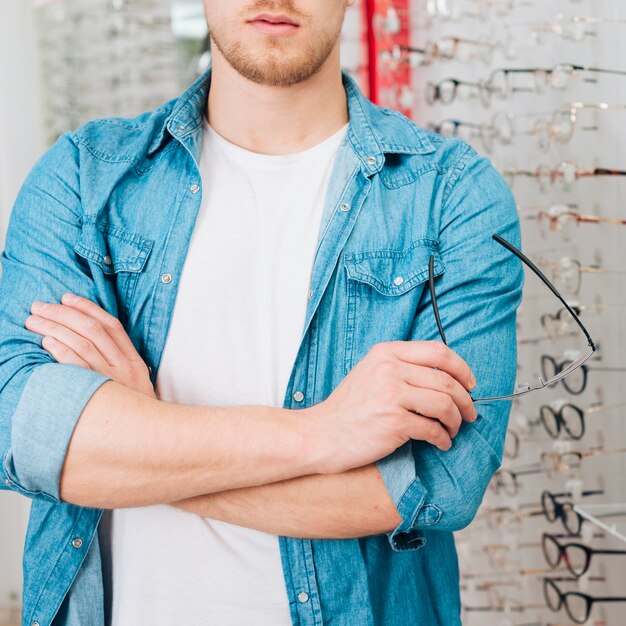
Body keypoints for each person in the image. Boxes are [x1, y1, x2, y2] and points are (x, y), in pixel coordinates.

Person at [0, 1, 523, 625]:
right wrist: (326, 432)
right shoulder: (84, 177)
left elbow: (439, 485)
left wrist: (143, 430)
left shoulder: (452, 195)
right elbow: (24, 431)